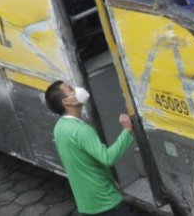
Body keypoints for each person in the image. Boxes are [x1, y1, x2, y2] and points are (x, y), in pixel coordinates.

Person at [45, 81, 136, 216]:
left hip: (87, 204)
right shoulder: (82, 130)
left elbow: (84, 162)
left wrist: (110, 180)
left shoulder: (59, 127)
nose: (77, 89)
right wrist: (127, 131)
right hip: (106, 202)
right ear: (67, 101)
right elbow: (107, 158)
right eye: (71, 89)